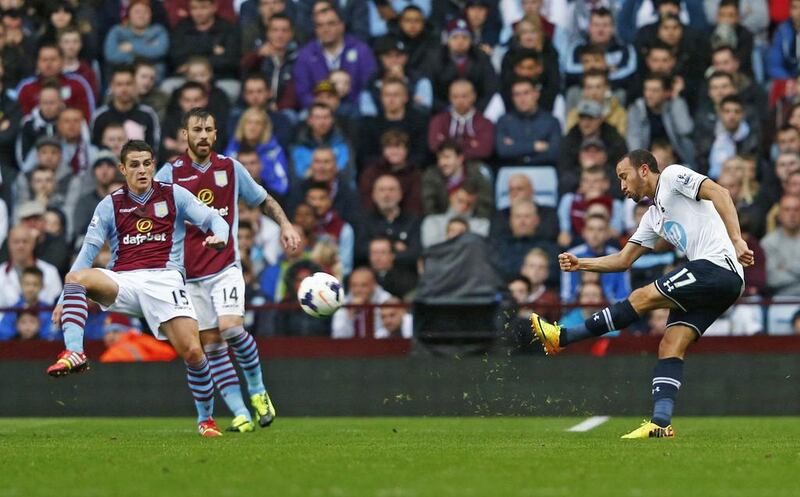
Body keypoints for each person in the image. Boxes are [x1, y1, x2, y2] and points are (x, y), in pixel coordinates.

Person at [531, 149, 754, 439]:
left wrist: (736, 240)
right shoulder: (653, 217)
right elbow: (623, 260)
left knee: (642, 296)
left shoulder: (673, 176)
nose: (622, 186)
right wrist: (581, 263)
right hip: (720, 282)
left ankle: (564, 337)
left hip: (716, 267)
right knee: (670, 344)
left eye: (624, 177)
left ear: (645, 170)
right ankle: (661, 422)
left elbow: (720, 192)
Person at [46, 139, 231, 438]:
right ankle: (75, 352)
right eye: (134, 164)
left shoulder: (174, 195)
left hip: (165, 280)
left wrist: (219, 236)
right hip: (125, 281)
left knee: (194, 352)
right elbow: (86, 255)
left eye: (147, 163)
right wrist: (63, 297)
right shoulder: (110, 204)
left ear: (154, 165)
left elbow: (212, 218)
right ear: (122, 168)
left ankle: (206, 419)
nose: (142, 170)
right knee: (76, 278)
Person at [156, 108, 301, 431]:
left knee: (232, 329)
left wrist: (286, 224)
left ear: (216, 134)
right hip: (189, 276)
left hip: (225, 267)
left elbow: (264, 199)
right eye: (197, 129)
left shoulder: (230, 168)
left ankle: (258, 391)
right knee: (211, 345)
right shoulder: (169, 173)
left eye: (209, 129)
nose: (204, 135)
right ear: (185, 135)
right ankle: (241, 414)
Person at [15, 43, 95, 121]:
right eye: (44, 60)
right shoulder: (26, 88)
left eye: (53, 59)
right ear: (37, 63)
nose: (48, 64)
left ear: (62, 61)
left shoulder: (77, 84)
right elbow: (20, 119)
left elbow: (87, 116)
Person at [91, 65, 161, 152]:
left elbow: (154, 150)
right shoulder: (100, 116)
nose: (124, 89)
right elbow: (94, 150)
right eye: (119, 84)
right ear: (112, 87)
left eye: (128, 84)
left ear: (135, 85)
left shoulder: (148, 115)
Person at [224, 107, 290, 198]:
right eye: (249, 122)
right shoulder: (233, 148)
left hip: (268, 197)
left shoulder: (274, 150)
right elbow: (223, 179)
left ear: (265, 127)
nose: (252, 127)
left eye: (258, 123)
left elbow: (282, 185)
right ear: (242, 125)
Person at [495, 77, 560, 166]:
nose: (522, 99)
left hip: (542, 169)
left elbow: (553, 153)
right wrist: (535, 146)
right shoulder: (504, 121)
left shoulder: (551, 121)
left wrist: (516, 147)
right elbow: (503, 151)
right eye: (517, 94)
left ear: (536, 94)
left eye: (526, 93)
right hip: (511, 170)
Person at [331, 267, 391, 338]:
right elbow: (338, 336)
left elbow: (388, 332)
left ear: (374, 285)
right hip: (352, 347)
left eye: (363, 285)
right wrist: (350, 314)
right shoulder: (344, 303)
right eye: (354, 285)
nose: (358, 290)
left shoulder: (386, 301)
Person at [0, 266, 56, 340]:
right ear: (20, 284)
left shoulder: (48, 311)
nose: (31, 288)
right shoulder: (12, 310)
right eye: (27, 284)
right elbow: (4, 337)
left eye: (35, 284)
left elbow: (52, 337)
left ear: (42, 285)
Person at [761, 195, 800, 297]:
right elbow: (772, 279)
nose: (792, 214)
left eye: (796, 210)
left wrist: (786, 267)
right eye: (787, 210)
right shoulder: (768, 242)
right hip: (781, 300)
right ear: (779, 214)